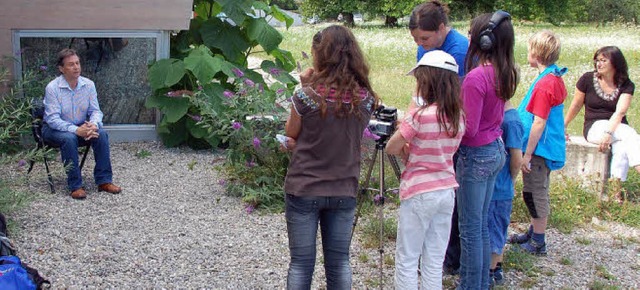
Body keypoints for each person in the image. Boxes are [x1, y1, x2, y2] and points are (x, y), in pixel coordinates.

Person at [282, 25, 379, 289]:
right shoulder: (366, 100)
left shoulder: (306, 96)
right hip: (343, 187)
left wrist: (306, 86)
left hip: (304, 186)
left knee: (301, 263)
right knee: (339, 264)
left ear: (320, 55)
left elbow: (292, 133)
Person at [386, 50, 465, 289]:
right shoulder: (458, 117)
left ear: (428, 81)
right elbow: (439, 151)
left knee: (408, 258)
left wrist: (403, 145)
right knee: (434, 258)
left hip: (419, 190)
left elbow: (392, 146)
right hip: (446, 189)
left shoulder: (420, 116)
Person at [456, 11, 517, 289]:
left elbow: (468, 128)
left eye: (472, 34)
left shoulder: (475, 78)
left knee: (469, 229)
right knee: (479, 225)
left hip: (475, 154)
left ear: (485, 40)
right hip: (495, 149)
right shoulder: (506, 72)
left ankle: (470, 285)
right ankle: (480, 283)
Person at [407, 0, 469, 275]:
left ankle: (450, 256)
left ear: (442, 28)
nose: (422, 44)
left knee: (446, 199)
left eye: (425, 38)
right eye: (417, 40)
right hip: (432, 116)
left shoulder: (458, 48)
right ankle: (433, 255)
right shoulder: (427, 46)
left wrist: (421, 118)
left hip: (448, 123)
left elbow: (455, 92)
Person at [510, 30, 568, 255]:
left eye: (529, 48)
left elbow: (539, 122)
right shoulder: (551, 77)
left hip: (539, 150)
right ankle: (533, 232)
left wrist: (527, 154)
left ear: (537, 52)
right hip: (544, 147)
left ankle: (539, 241)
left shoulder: (545, 85)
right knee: (535, 189)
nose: (527, 52)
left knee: (535, 192)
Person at [43, 48, 121, 199]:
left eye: (77, 63)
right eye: (71, 64)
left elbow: (95, 111)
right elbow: (53, 120)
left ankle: (104, 181)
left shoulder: (88, 85)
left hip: (81, 127)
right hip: (54, 130)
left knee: (101, 134)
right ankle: (75, 185)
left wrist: (93, 124)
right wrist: (76, 130)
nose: (76, 67)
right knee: (69, 138)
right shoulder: (53, 88)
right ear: (61, 68)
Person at [564, 46, 639, 189]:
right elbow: (575, 105)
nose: (599, 64)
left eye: (603, 60)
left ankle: (615, 192)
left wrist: (609, 133)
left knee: (622, 145)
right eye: (597, 60)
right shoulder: (587, 79)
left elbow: (620, 112)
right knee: (629, 134)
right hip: (594, 127)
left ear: (615, 63)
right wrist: (564, 125)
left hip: (616, 127)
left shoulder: (626, 84)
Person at [487, 100, 523, 286]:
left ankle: (491, 272)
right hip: (495, 187)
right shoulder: (503, 117)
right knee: (495, 228)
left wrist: (511, 179)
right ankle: (497, 266)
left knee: (495, 230)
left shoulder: (511, 121)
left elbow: (517, 158)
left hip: (499, 188)